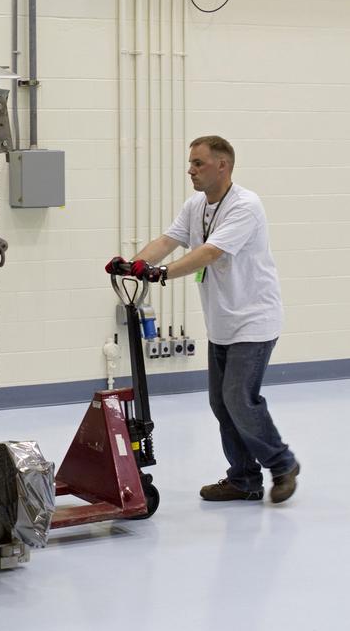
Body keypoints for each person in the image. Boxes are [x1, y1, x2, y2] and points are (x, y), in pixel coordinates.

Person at [106, 135, 299, 505]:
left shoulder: (245, 205)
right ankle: (243, 479)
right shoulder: (196, 205)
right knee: (221, 403)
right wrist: (133, 264)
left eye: (199, 163)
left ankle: (282, 463)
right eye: (191, 163)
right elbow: (168, 239)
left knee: (239, 399)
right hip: (222, 321)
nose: (190, 170)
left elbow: (210, 252)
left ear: (222, 165)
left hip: (254, 319)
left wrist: (161, 274)